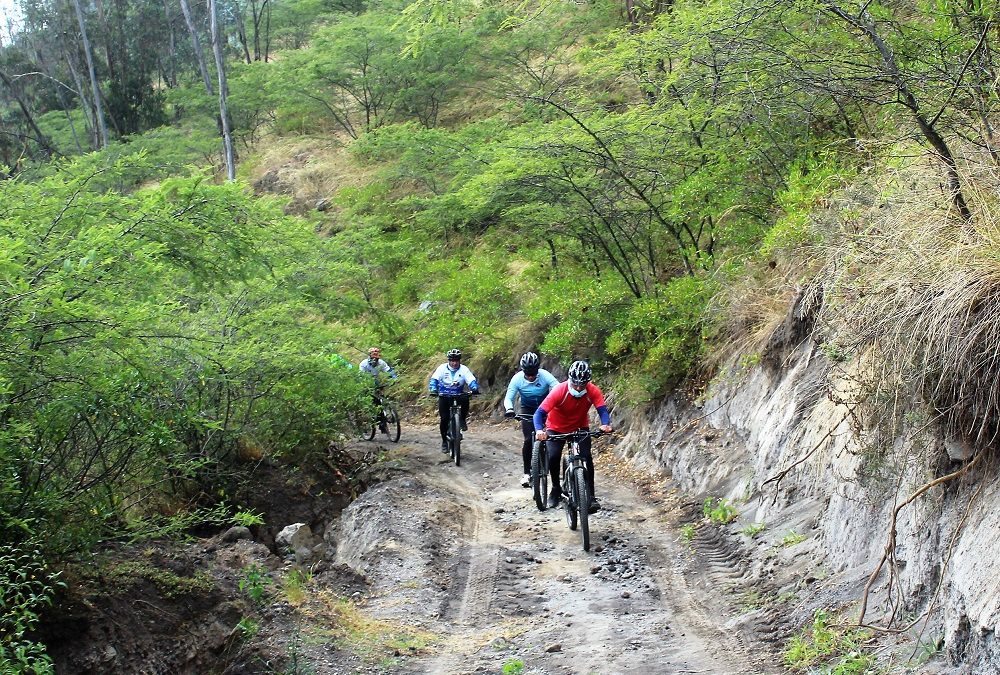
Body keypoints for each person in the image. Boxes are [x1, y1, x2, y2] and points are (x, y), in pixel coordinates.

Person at [533, 360, 612, 512]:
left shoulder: (593, 391)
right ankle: (556, 488)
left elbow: (602, 410)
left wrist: (605, 424)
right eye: (575, 384)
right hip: (556, 428)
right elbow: (539, 413)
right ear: (570, 380)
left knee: (587, 457)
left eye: (582, 385)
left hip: (579, 427)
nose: (578, 388)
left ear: (587, 382)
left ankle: (591, 496)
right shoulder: (559, 391)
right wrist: (539, 431)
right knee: (553, 456)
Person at [503, 352, 558, 488]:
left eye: (533, 373)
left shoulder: (545, 375)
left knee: (550, 437)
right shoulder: (517, 379)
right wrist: (509, 409)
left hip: (545, 408)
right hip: (527, 409)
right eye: (528, 373)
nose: (531, 376)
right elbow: (509, 397)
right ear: (523, 371)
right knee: (528, 440)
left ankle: (547, 465)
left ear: (538, 369)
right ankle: (527, 473)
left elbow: (557, 388)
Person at [429, 349, 479, 454]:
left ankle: (462, 420)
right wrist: (433, 389)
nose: (454, 363)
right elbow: (434, 379)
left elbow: (471, 380)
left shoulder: (464, 369)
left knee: (465, 399)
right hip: (444, 395)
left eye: (456, 360)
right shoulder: (442, 368)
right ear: (449, 360)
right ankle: (444, 441)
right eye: (452, 360)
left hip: (458, 394)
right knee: (444, 419)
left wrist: (474, 388)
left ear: (459, 360)